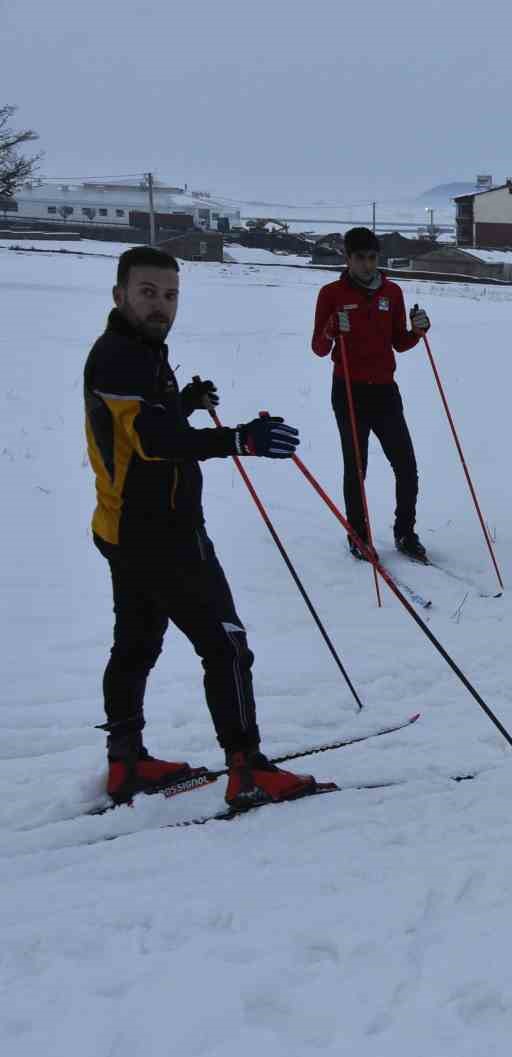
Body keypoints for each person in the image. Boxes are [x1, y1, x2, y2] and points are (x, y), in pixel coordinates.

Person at [86, 247, 324, 809]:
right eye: (148, 292)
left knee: (137, 644)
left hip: (125, 529)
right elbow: (153, 442)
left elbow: (145, 423)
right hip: (163, 535)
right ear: (120, 294)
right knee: (226, 646)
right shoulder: (123, 356)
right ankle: (246, 769)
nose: (161, 305)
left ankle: (126, 763)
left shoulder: (136, 350)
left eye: (170, 295)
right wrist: (238, 440)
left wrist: (183, 402)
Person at [311, 226, 432, 562]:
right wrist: (330, 329)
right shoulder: (331, 294)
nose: (367, 265)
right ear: (347, 258)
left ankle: (405, 532)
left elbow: (399, 341)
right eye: (360, 258)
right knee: (356, 467)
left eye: (372, 258)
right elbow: (319, 348)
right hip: (348, 388)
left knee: (406, 465)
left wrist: (418, 332)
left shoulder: (391, 293)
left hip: (384, 391)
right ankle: (358, 535)